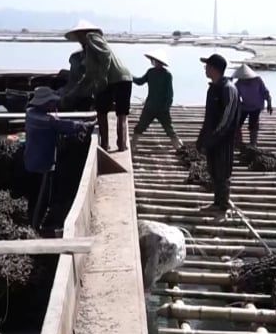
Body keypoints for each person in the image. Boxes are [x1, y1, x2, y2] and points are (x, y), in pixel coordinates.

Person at [23, 86, 93, 229]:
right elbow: (64, 126)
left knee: (34, 195)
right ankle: (34, 226)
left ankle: (33, 221)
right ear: (43, 103)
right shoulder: (46, 120)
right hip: (42, 164)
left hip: (30, 161)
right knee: (42, 197)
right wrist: (85, 124)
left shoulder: (30, 113)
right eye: (51, 102)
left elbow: (56, 122)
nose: (54, 105)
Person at [64, 20, 133, 151]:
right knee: (115, 113)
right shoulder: (89, 52)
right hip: (123, 78)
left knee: (107, 113)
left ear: (82, 33)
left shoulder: (92, 37)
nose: (78, 39)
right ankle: (112, 145)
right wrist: (72, 94)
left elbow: (105, 55)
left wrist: (102, 78)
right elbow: (87, 78)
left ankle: (114, 145)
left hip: (116, 79)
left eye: (78, 35)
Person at [196, 54, 240, 219]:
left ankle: (223, 206)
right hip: (212, 138)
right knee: (213, 171)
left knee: (222, 173)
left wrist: (214, 137)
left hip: (223, 140)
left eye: (207, 66)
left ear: (214, 68)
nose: (205, 69)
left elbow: (227, 118)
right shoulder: (213, 88)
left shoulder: (228, 88)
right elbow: (208, 117)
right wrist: (202, 138)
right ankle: (216, 202)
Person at [132, 49, 183, 150]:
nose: (154, 63)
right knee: (140, 127)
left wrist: (167, 107)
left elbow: (169, 94)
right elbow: (140, 81)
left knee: (169, 129)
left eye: (155, 61)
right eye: (153, 61)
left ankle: (178, 147)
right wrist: (129, 76)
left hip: (161, 108)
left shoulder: (167, 75)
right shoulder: (150, 72)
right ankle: (133, 146)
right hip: (151, 107)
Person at [232, 64, 272, 146]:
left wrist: (269, 104)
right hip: (245, 106)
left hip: (257, 106)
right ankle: (238, 141)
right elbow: (235, 96)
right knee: (237, 123)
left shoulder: (257, 80)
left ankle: (253, 143)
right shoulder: (238, 83)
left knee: (253, 125)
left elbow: (265, 92)